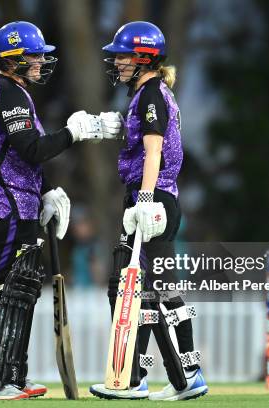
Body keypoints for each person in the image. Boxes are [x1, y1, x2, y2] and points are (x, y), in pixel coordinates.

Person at [0, 21, 122, 400]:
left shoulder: (6, 90)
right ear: (13, 59)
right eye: (33, 55)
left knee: (22, 291)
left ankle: (10, 374)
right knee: (7, 292)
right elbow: (33, 149)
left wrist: (46, 192)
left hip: (5, 204)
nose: (40, 61)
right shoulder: (8, 94)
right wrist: (75, 133)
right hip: (0, 208)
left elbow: (20, 156)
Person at [89, 21, 208, 401]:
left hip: (153, 199)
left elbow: (155, 151)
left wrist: (144, 199)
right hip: (156, 197)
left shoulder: (152, 92)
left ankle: (176, 374)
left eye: (122, 56)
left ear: (143, 57)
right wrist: (117, 127)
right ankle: (149, 375)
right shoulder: (147, 93)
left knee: (151, 292)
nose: (117, 63)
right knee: (145, 291)